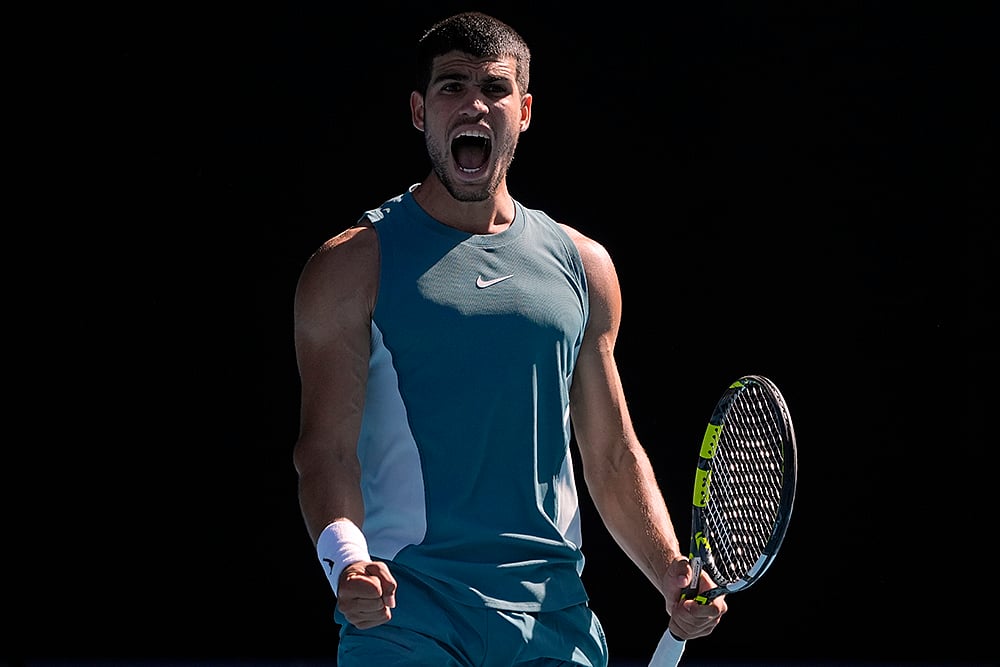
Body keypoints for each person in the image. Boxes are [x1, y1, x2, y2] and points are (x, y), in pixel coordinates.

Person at [292, 11, 727, 666]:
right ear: (419, 111)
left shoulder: (585, 266)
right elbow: (324, 449)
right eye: (452, 86)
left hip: (554, 618)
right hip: (409, 613)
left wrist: (669, 567)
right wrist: (348, 562)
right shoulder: (351, 265)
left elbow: (611, 453)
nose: (474, 104)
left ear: (523, 112)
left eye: (494, 88)